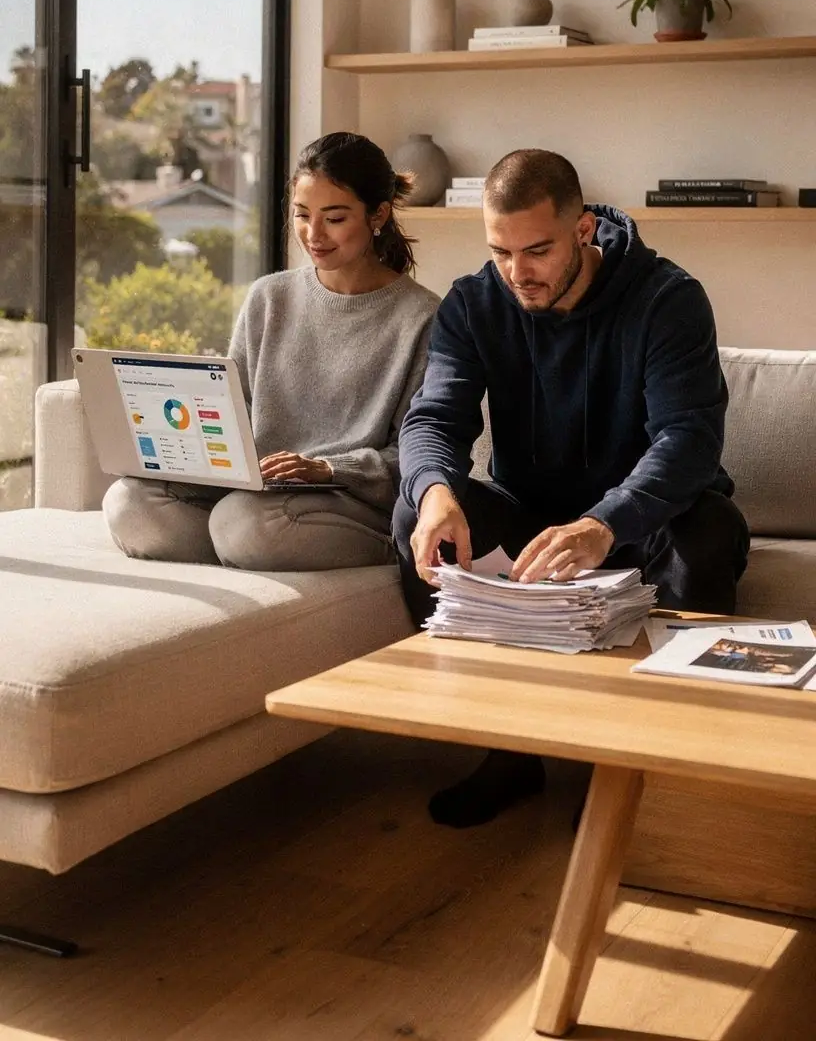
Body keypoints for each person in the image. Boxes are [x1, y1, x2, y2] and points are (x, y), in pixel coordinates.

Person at [394, 149, 749, 827]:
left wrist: (604, 523)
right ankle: (510, 752)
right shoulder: (475, 302)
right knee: (422, 513)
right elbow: (434, 416)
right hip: (533, 526)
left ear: (583, 230)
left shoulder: (667, 300)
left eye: (536, 251)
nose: (516, 273)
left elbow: (688, 441)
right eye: (500, 251)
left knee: (706, 535)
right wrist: (434, 488)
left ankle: (647, 770)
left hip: (646, 524)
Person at [105, 132, 439, 570]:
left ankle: (374, 550)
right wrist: (182, 447)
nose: (313, 235)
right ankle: (241, 555)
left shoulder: (423, 316)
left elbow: (414, 454)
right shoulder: (268, 297)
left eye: (335, 219)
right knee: (130, 502)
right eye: (302, 215)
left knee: (246, 524)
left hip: (340, 500)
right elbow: (233, 409)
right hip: (256, 492)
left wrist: (326, 468)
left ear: (377, 214)